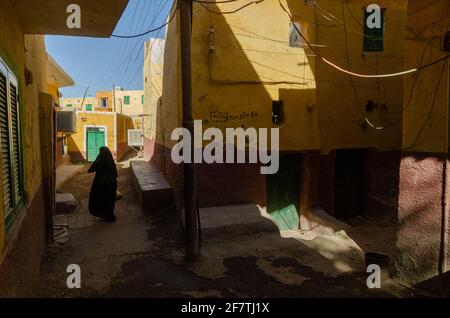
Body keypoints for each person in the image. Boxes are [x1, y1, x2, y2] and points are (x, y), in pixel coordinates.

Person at [88, 146, 118, 222]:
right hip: (111, 184)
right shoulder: (110, 161)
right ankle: (110, 216)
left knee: (102, 200)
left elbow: (91, 169)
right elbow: (115, 173)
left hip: (100, 184)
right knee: (110, 200)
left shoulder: (100, 160)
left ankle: (104, 214)